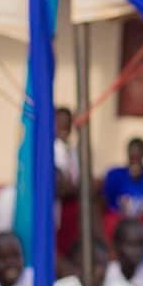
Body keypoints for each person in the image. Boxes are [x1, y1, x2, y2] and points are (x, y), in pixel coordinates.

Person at [54, 240, 142, 286]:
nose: (89, 270)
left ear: (107, 264)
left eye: (96, 264)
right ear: (74, 265)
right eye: (81, 264)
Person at [101, 138, 143, 239]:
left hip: (142, 223)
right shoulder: (114, 174)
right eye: (132, 156)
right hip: (117, 220)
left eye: (138, 157)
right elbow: (104, 202)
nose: (135, 160)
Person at [55, 105, 80, 257]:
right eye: (60, 122)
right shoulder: (51, 149)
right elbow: (62, 186)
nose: (64, 127)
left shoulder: (72, 151)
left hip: (70, 208)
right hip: (58, 205)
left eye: (67, 123)